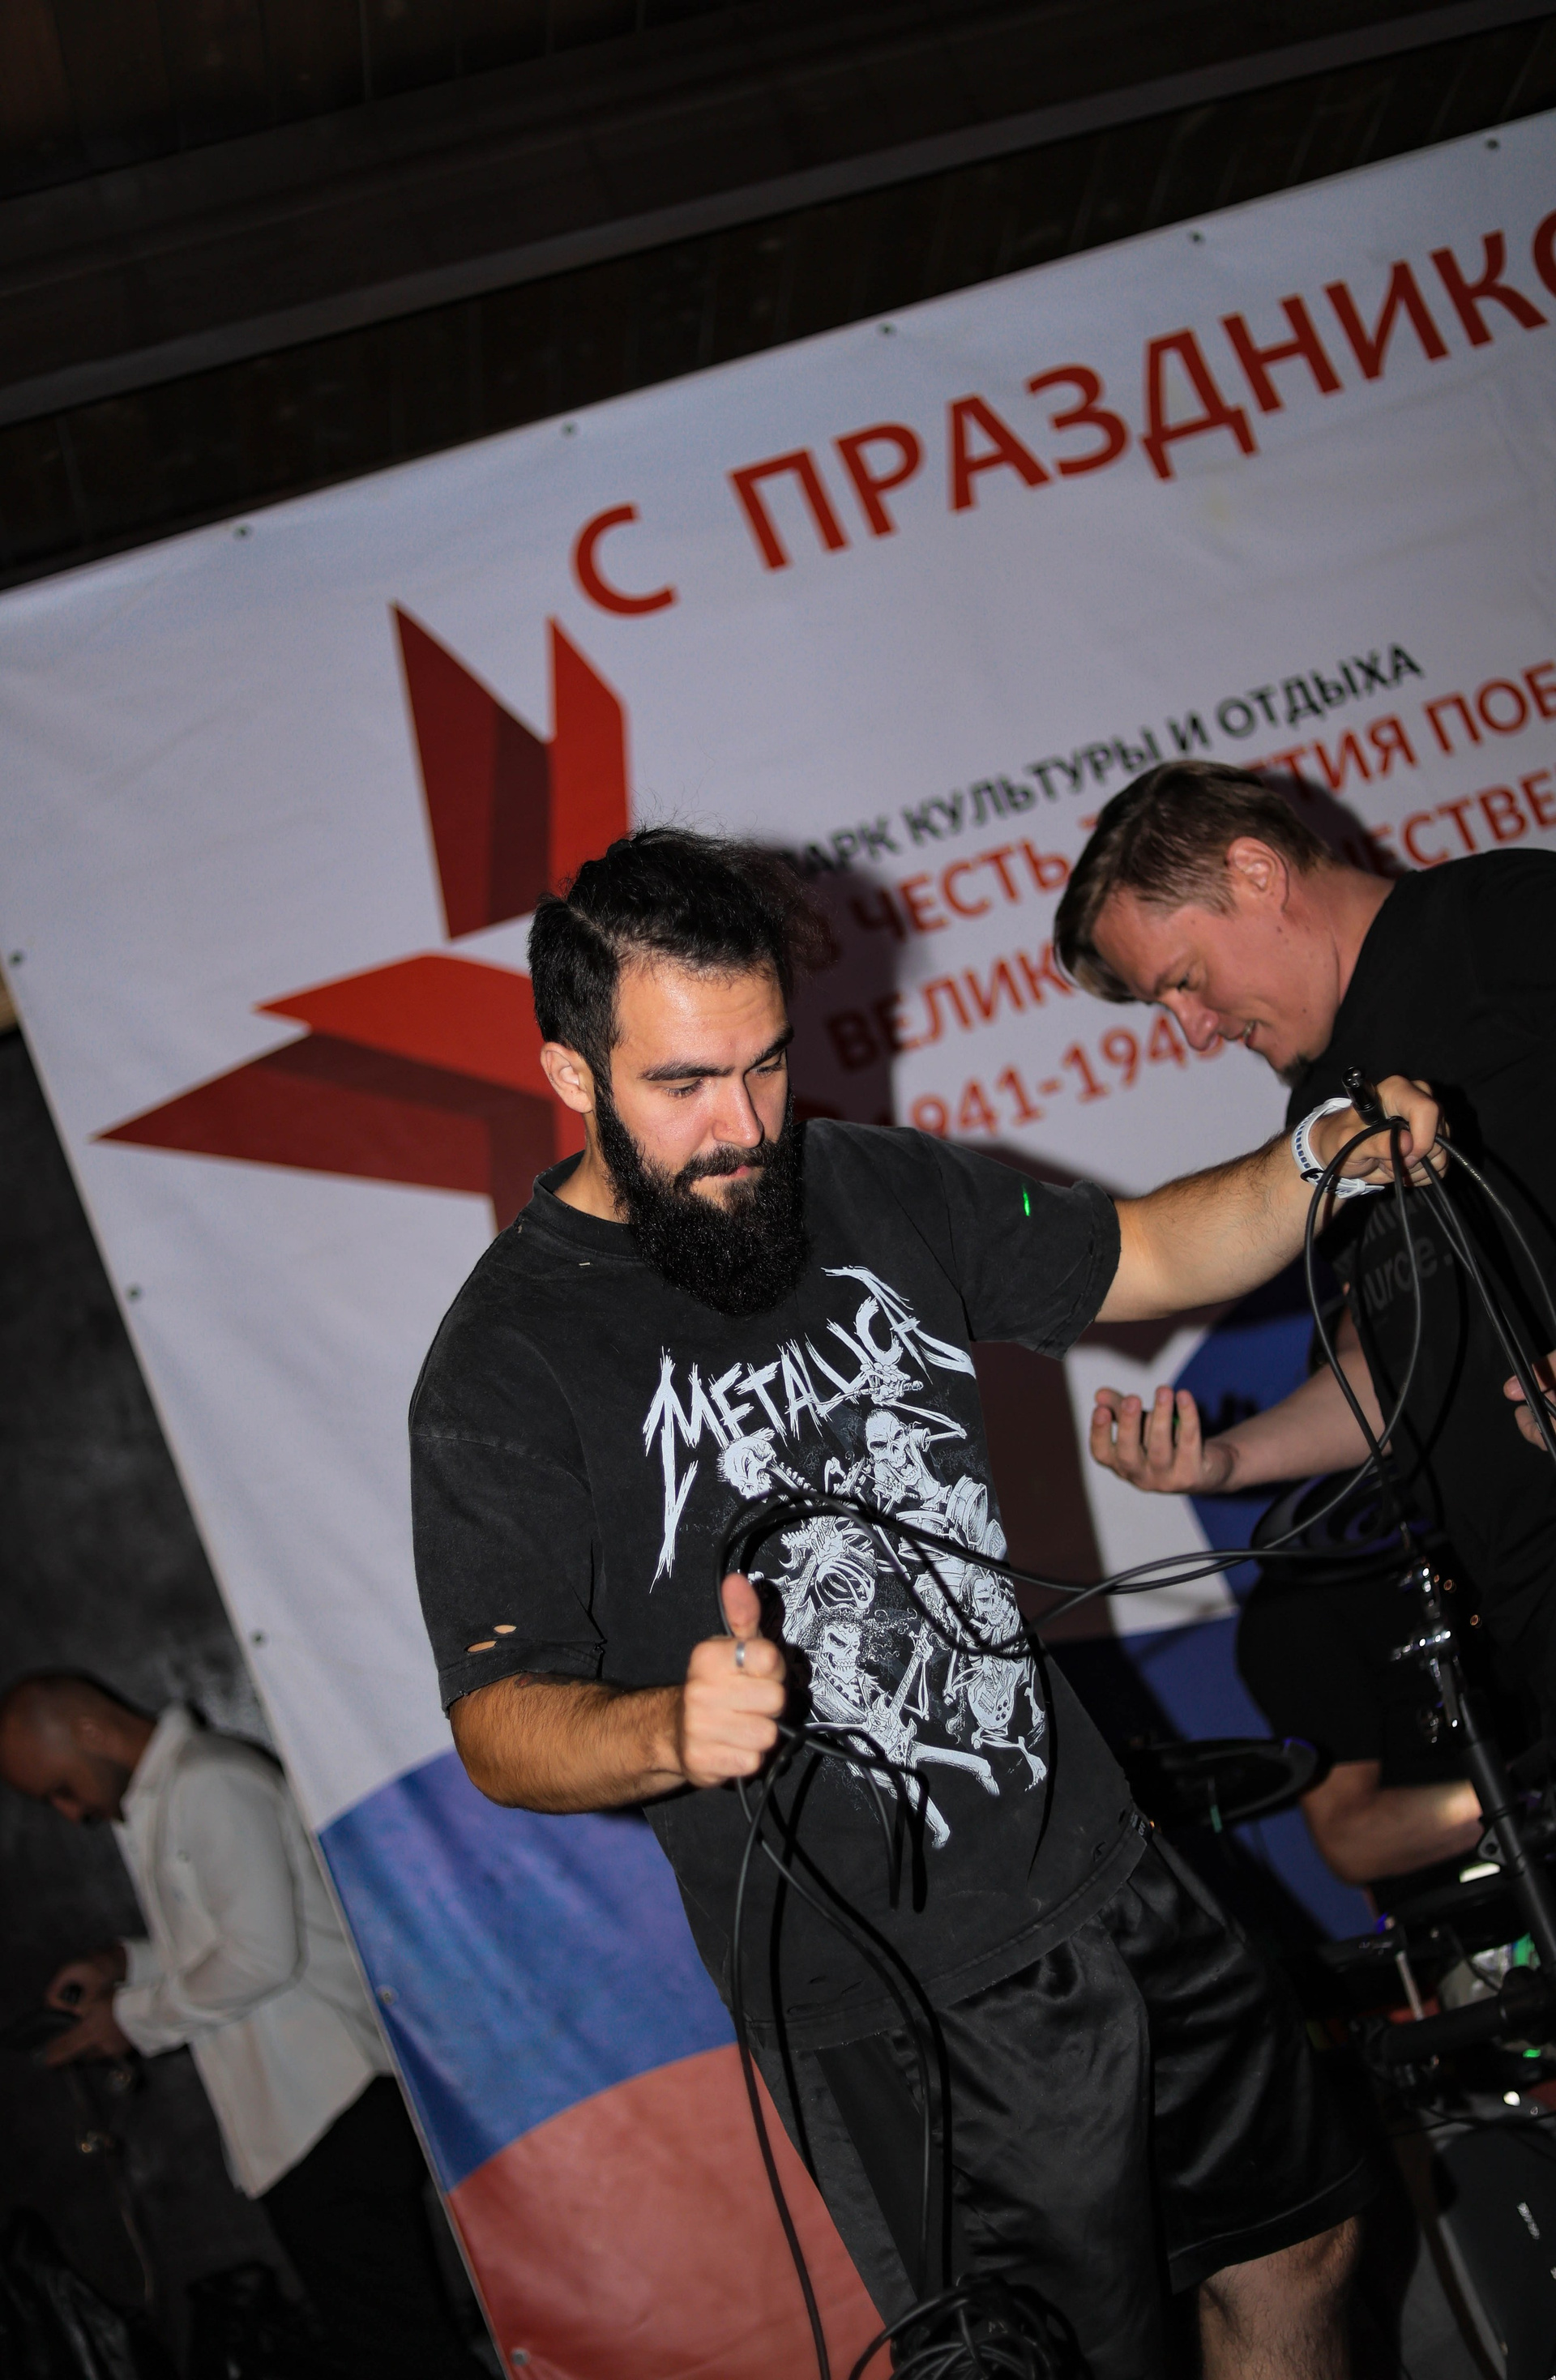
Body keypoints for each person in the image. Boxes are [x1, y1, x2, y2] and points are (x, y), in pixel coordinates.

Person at [409, 826, 1440, 2380]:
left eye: (766, 1064)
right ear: (571, 1073)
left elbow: (1147, 1249)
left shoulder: (867, 1184)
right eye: (685, 1084)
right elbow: (499, 1722)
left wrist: (1321, 1161)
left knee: (1303, 2238)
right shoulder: (505, 1364)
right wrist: (668, 1730)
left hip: (1105, 1868)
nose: (745, 1125)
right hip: (896, 2000)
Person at [1059, 763, 1556, 1718]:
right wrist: (1226, 1464)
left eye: (1184, 983)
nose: (1194, 1033)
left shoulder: (1501, 923)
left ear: (1256, 874)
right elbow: (1393, 1369)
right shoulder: (1319, 1114)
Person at [0, 1677, 482, 2380]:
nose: (72, 1814)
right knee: (394, 2346)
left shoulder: (209, 1781)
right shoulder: (177, 1791)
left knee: (398, 2353)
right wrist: (121, 1963)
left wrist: (129, 2019)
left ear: (89, 1730)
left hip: (327, 2102)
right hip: (307, 2110)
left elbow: (259, 1955)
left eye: (62, 1790)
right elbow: (221, 1942)